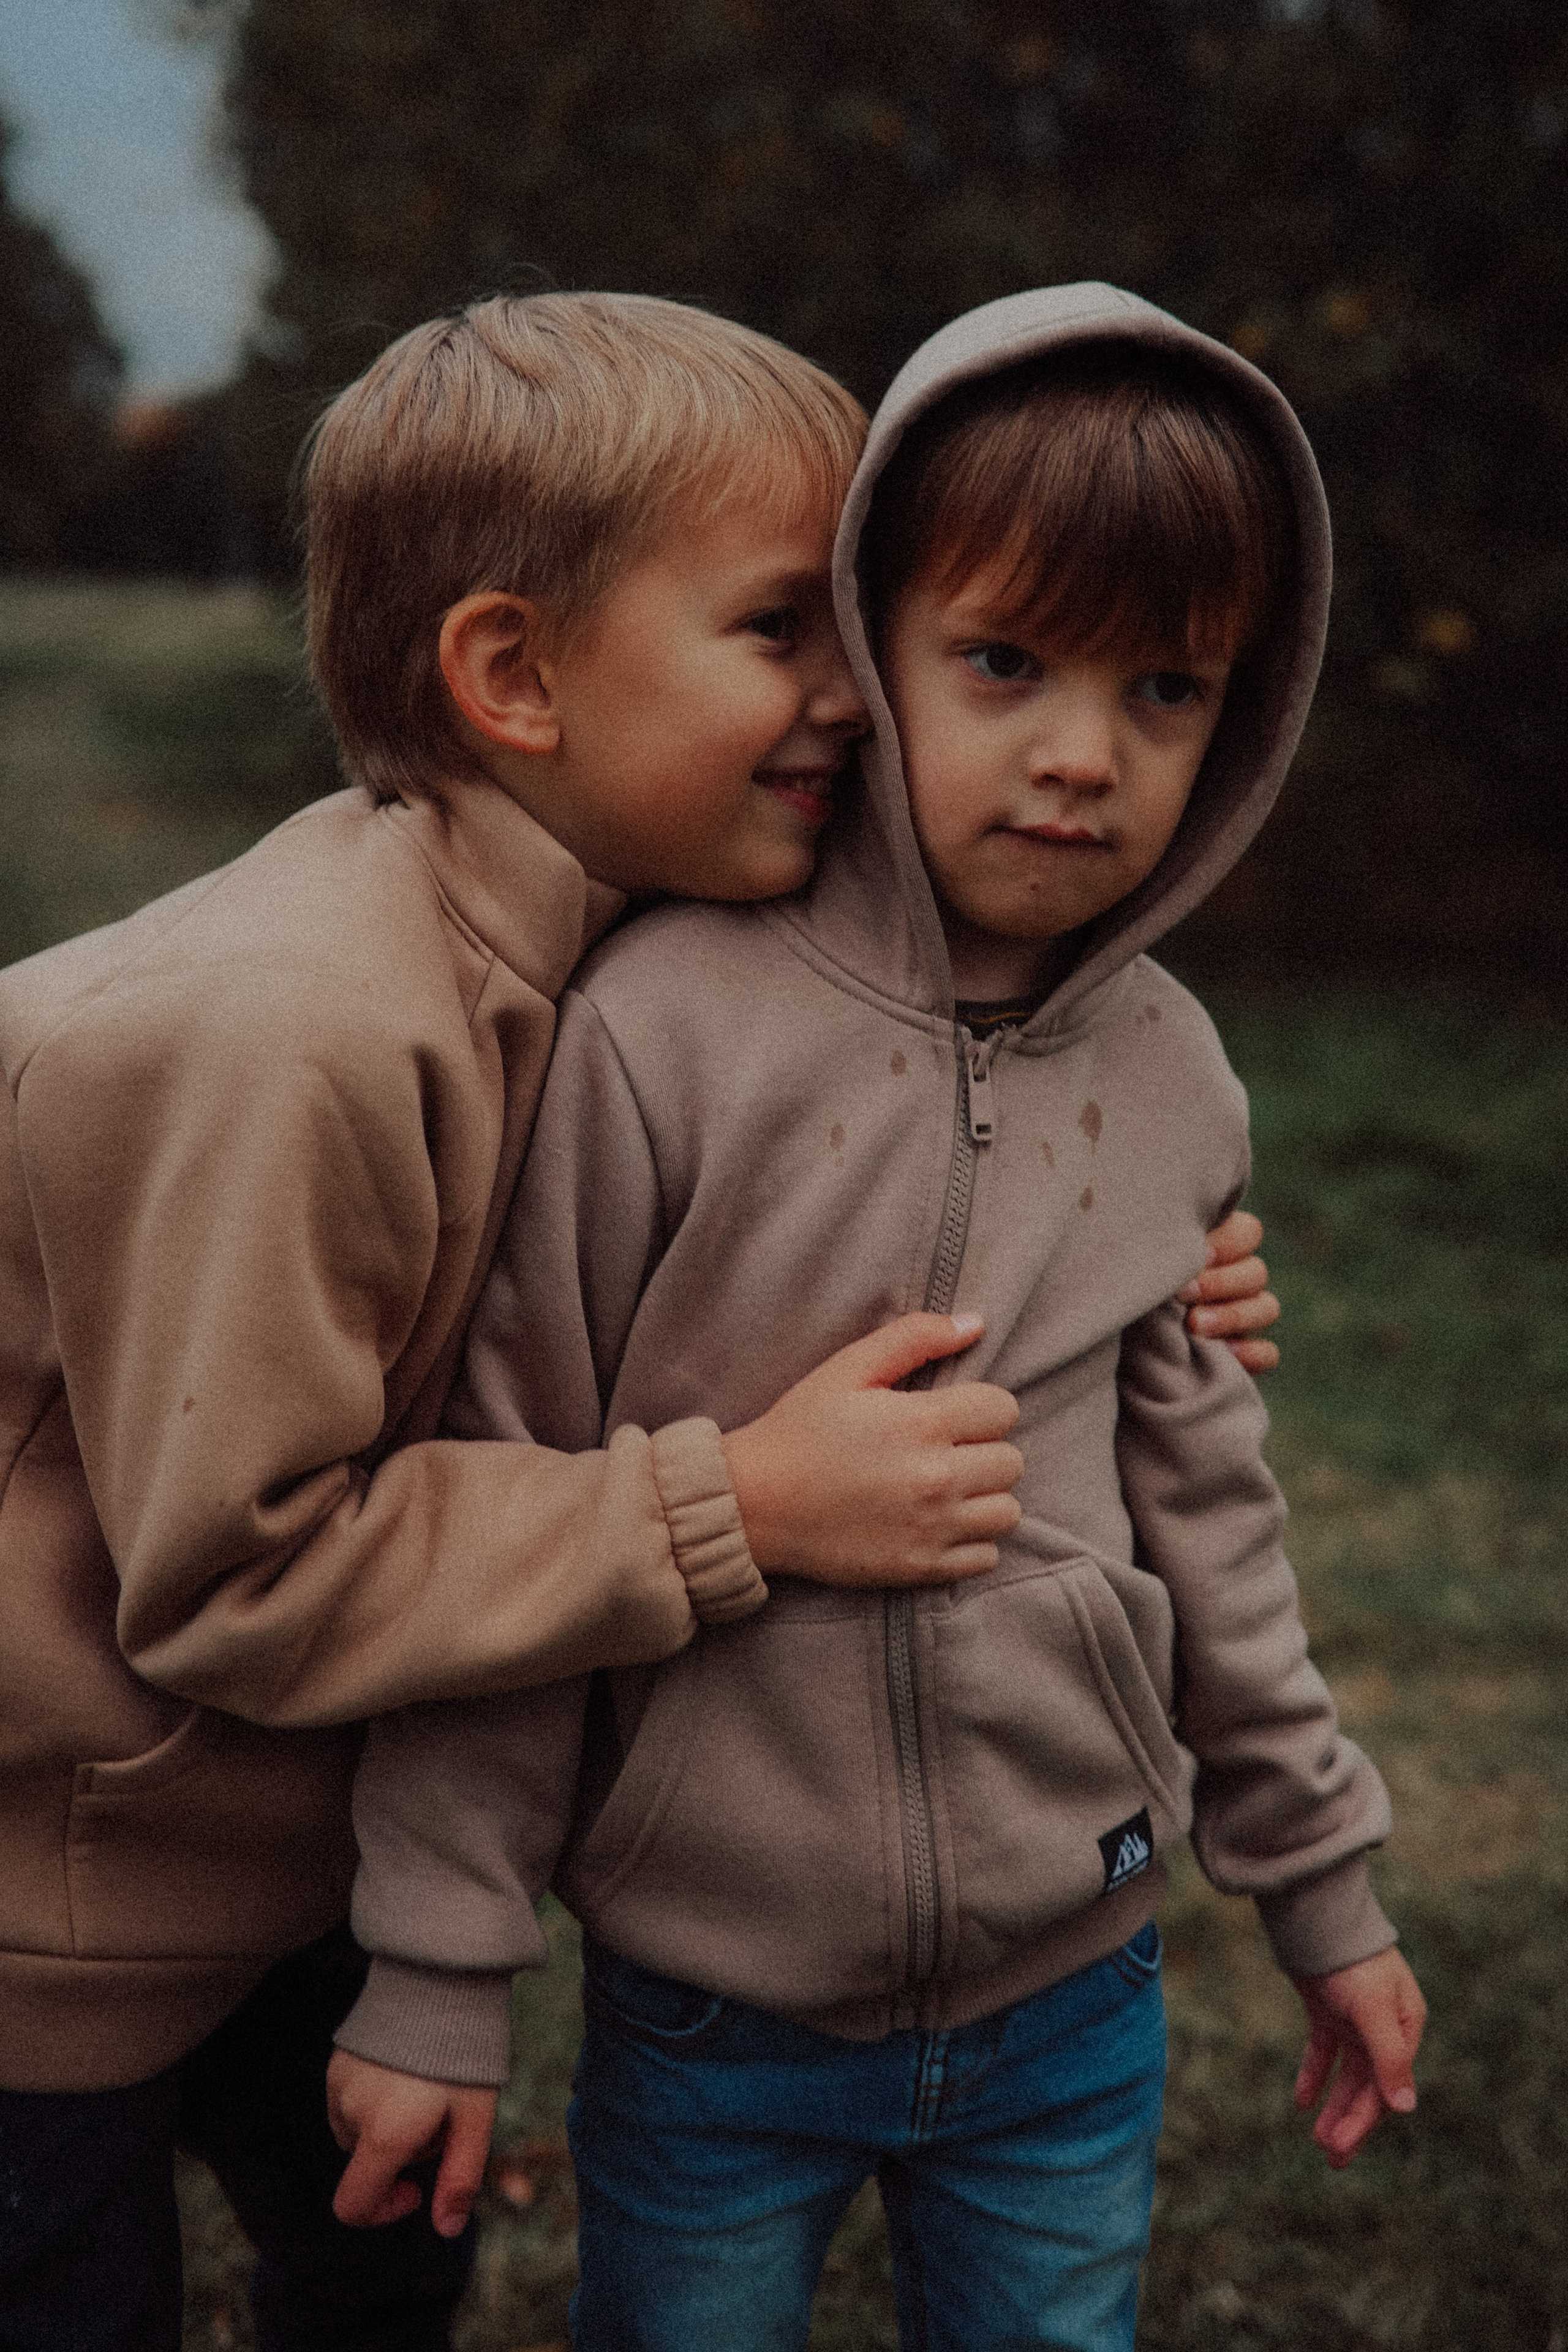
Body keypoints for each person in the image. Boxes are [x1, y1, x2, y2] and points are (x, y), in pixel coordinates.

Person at [327, 285, 1426, 2352]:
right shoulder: (659, 1039)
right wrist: (438, 1968)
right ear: (871, 641)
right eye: (1003, 662)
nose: (1083, 754)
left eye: (1170, 690)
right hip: (710, 2004)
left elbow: (1214, 1526)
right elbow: (511, 1498)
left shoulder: (1176, 1076)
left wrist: (1325, 1889)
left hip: (1070, 2000)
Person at [0, 292, 1097, 2352]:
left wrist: (1154, 1247)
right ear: (514, 673)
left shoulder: (620, 951)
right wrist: (739, 1509)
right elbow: (235, 1578)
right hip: (46, 1898)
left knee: (379, 2276)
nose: (861, 700)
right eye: (785, 628)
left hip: (289, 1860)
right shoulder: (298, 1033)